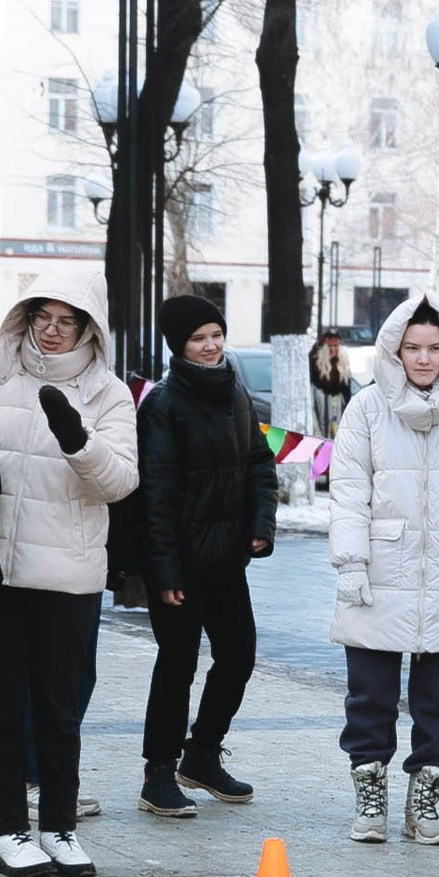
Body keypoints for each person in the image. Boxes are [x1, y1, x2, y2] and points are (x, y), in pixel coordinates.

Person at [0, 269, 137, 877]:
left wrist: (78, 439)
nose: (50, 330)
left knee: (58, 709)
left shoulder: (108, 394)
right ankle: (10, 830)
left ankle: (60, 827)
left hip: (67, 575)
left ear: (87, 328)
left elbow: (120, 481)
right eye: (41, 317)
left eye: (65, 321)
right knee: (1, 708)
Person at [328, 293, 439, 845]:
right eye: (413, 348)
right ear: (395, 350)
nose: (424, 359)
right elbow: (349, 490)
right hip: (381, 568)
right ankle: (370, 794)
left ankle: (424, 801)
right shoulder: (365, 409)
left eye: (434, 348)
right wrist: (351, 562)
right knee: (370, 696)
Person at [135, 293, 276, 817]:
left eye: (215, 334)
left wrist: (260, 525)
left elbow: (261, 465)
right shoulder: (164, 404)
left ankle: (201, 755)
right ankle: (158, 772)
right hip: (178, 567)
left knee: (238, 656)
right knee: (177, 665)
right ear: (180, 346)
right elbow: (156, 493)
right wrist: (164, 569)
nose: (211, 345)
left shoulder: (235, 393)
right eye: (199, 339)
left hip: (225, 562)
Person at [309, 328, 353, 439]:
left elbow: (347, 390)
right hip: (321, 402)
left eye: (336, 346)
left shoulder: (343, 364)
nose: (333, 350)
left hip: (338, 405)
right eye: (330, 346)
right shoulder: (316, 363)